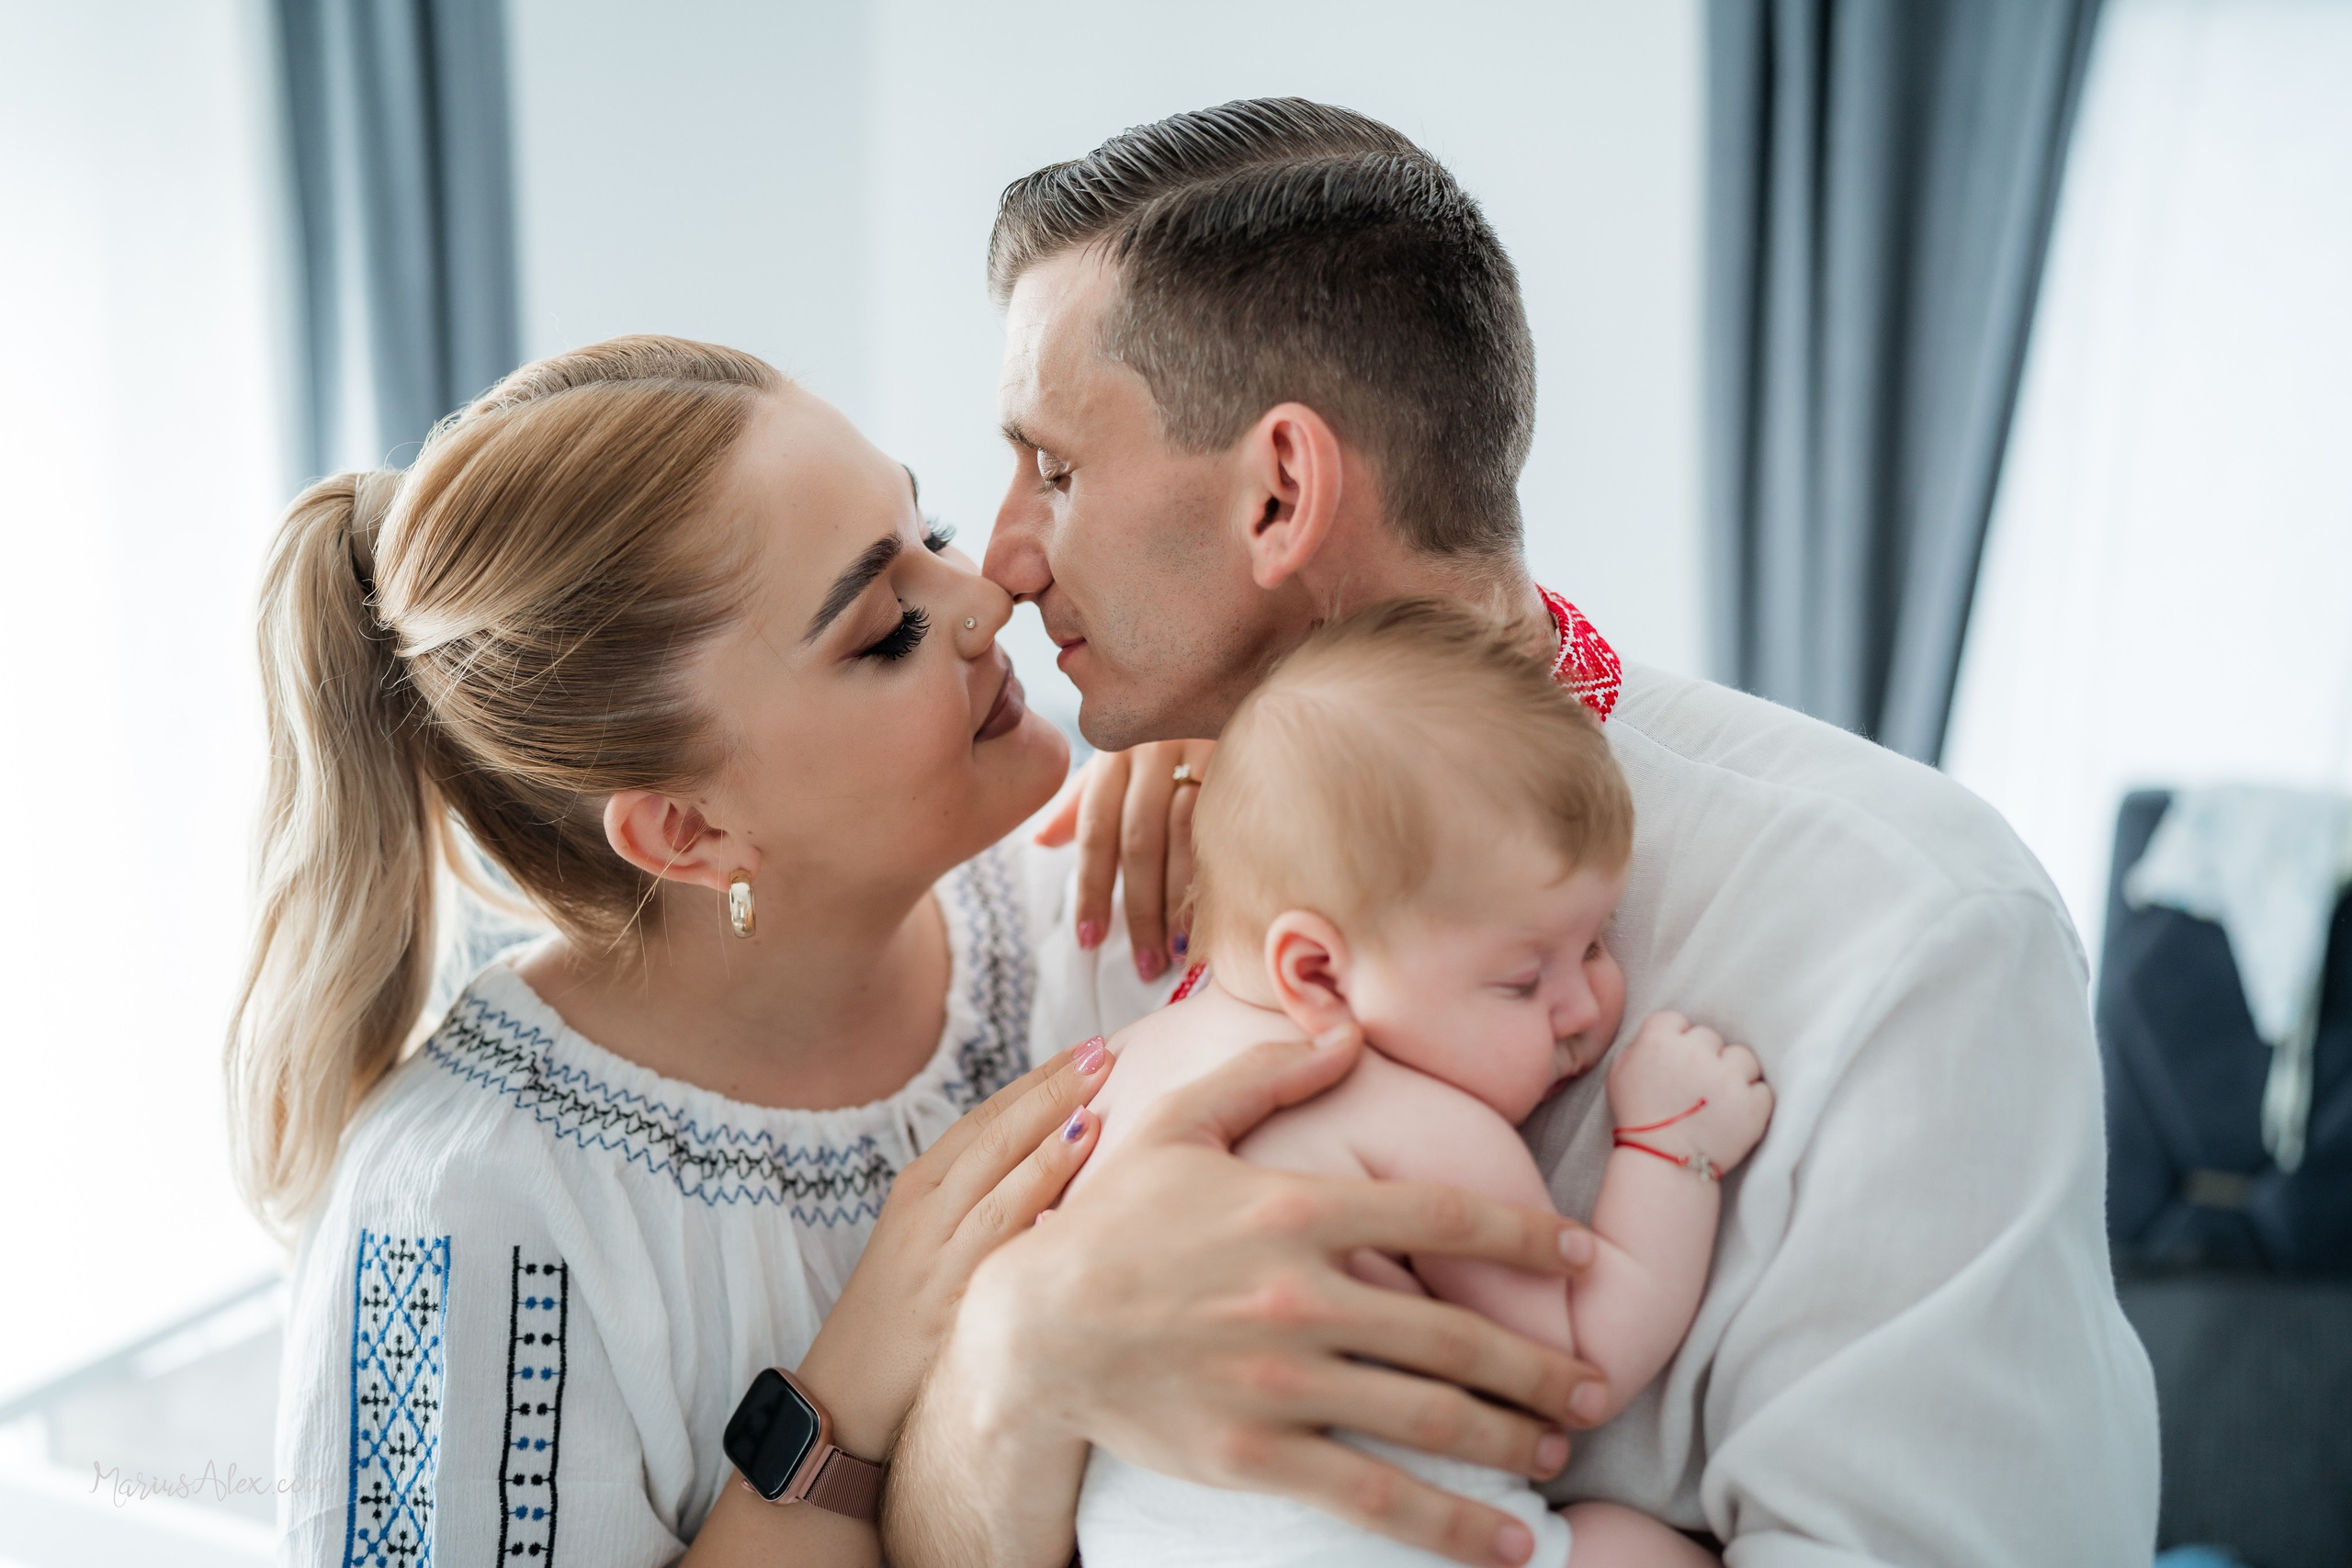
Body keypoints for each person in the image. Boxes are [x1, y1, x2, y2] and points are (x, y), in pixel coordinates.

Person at [883, 99, 2161, 1567]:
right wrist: (1018, 1360)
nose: (1003, 557)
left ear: (1281, 491)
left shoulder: (1901, 931)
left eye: (1053, 469)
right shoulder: (1094, 899)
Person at [234, 338, 1570, 1567]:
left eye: (926, 531)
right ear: (689, 830)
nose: (988, 595)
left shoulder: (1106, 908)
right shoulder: (462, 1209)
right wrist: (846, 1388)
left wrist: (1268, 748)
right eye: (885, 627)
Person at [1069, 600, 1773, 1568]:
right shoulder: (1412, 1121)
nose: (1586, 1003)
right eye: (1523, 979)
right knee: (1628, 1545)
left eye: (1596, 942)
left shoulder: (1120, 1071)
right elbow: (1577, 1367)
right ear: (1316, 973)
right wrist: (1672, 1146)